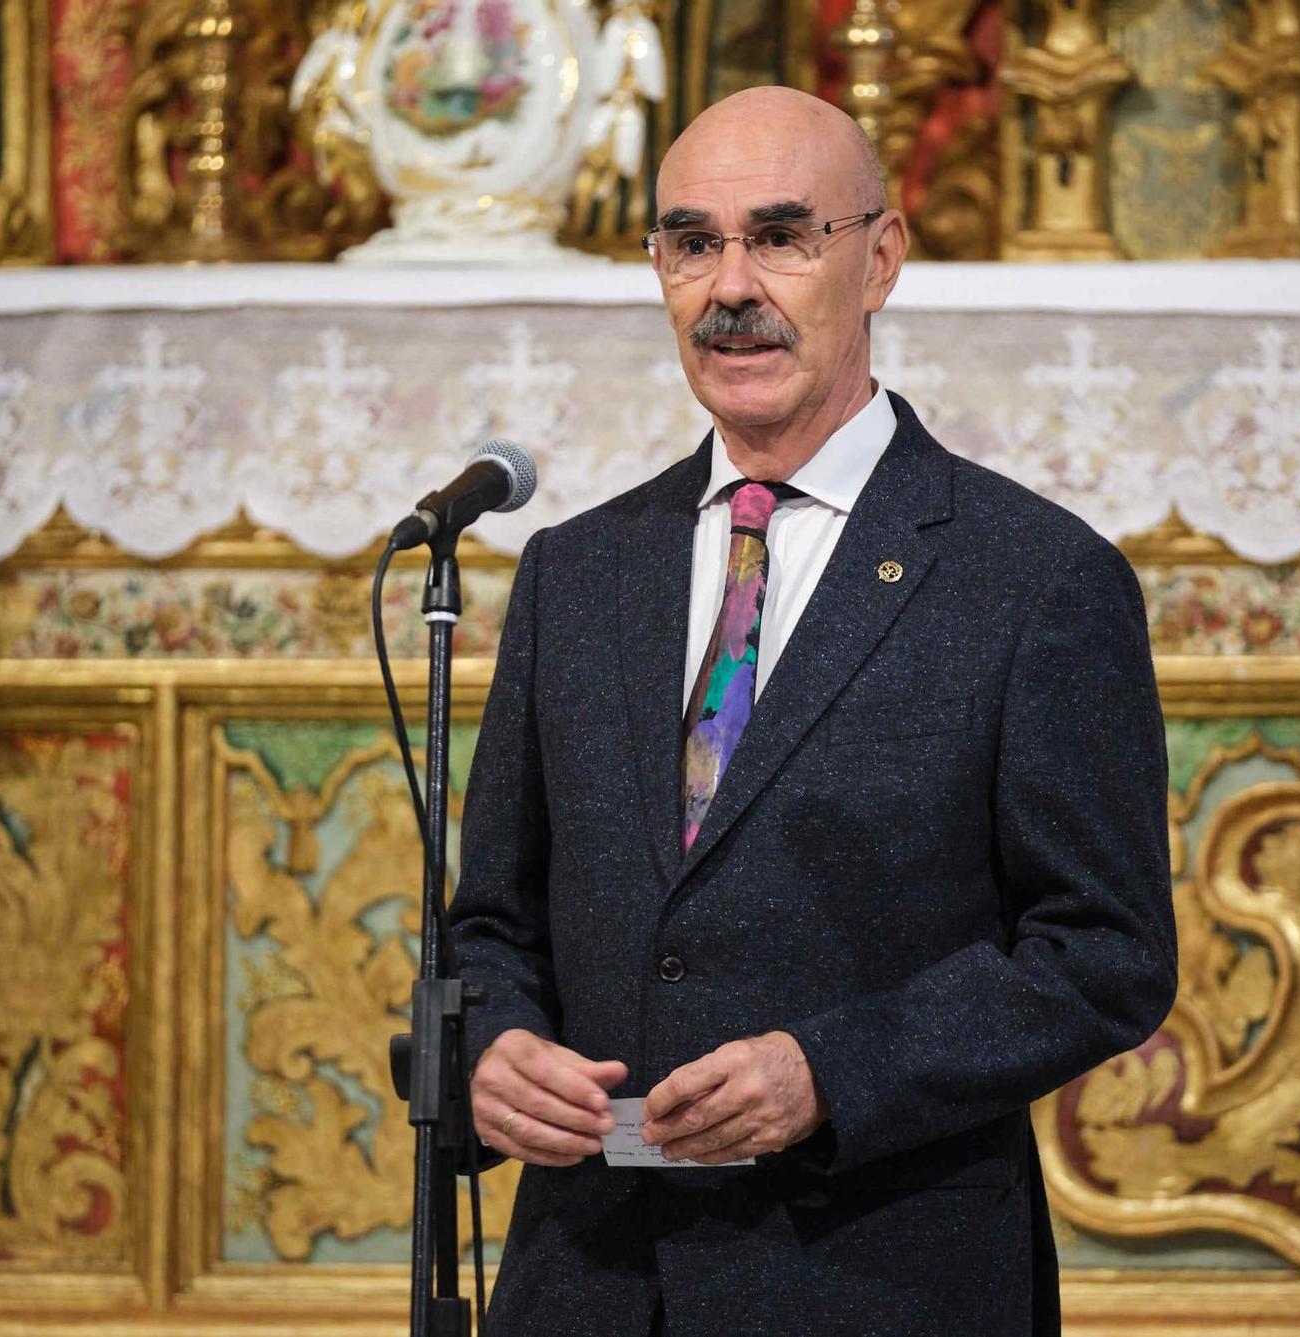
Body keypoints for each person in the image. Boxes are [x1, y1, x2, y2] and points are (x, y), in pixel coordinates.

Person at [448, 85, 1175, 1336]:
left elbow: (1103, 954)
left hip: (878, 1279)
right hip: (587, 1284)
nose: (730, 285)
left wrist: (828, 1071)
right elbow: (491, 926)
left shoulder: (1032, 578)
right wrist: (493, 1048)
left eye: (780, 236)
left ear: (879, 258)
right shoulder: (574, 573)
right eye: (690, 242)